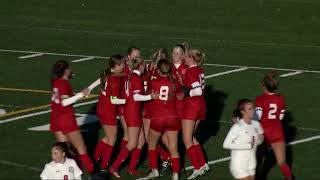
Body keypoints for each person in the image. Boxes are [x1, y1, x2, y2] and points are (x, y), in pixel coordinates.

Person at [109, 57, 158, 178]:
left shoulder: (130, 76)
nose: (145, 67)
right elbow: (136, 97)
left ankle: (131, 168)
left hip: (131, 111)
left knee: (141, 142)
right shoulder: (136, 78)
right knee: (132, 143)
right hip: (133, 112)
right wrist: (150, 97)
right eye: (144, 65)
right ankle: (114, 167)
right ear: (140, 66)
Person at [140, 59, 183, 180]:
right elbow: (180, 95)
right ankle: (175, 174)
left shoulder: (154, 82)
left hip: (158, 117)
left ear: (158, 70)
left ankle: (154, 170)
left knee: (152, 144)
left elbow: (147, 91)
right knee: (173, 148)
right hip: (173, 117)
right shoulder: (174, 82)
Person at [50, 60, 94, 174]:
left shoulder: (56, 82)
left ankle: (69, 174)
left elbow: (61, 100)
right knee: (81, 149)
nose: (71, 70)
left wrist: (79, 95)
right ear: (65, 71)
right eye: (69, 68)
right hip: (66, 119)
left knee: (67, 152)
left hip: (56, 119)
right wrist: (81, 94)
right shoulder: (64, 83)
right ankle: (93, 174)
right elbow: (65, 102)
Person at [255, 73, 293, 180]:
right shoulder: (281, 99)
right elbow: (280, 117)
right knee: (282, 163)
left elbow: (258, 116)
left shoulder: (260, 99)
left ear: (263, 85)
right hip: (277, 132)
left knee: (259, 160)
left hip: (264, 133)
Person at [181, 49, 209, 179]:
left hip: (192, 107)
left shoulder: (191, 71)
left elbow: (197, 91)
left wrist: (187, 93)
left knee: (186, 139)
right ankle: (203, 164)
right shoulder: (199, 70)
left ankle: (197, 167)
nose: (183, 58)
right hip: (200, 106)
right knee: (191, 136)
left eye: (186, 56)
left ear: (191, 58)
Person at [94, 55, 126, 171]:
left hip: (101, 107)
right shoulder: (115, 81)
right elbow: (114, 99)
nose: (124, 66)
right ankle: (104, 165)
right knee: (112, 138)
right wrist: (129, 100)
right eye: (122, 64)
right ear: (115, 66)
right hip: (108, 109)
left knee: (108, 137)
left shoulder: (106, 73)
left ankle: (95, 158)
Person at [223, 99, 264, 180]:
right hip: (239, 164)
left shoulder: (256, 124)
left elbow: (260, 138)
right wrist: (247, 145)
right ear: (243, 112)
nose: (253, 111)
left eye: (253, 108)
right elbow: (226, 145)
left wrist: (259, 140)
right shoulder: (237, 127)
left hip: (251, 163)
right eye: (249, 109)